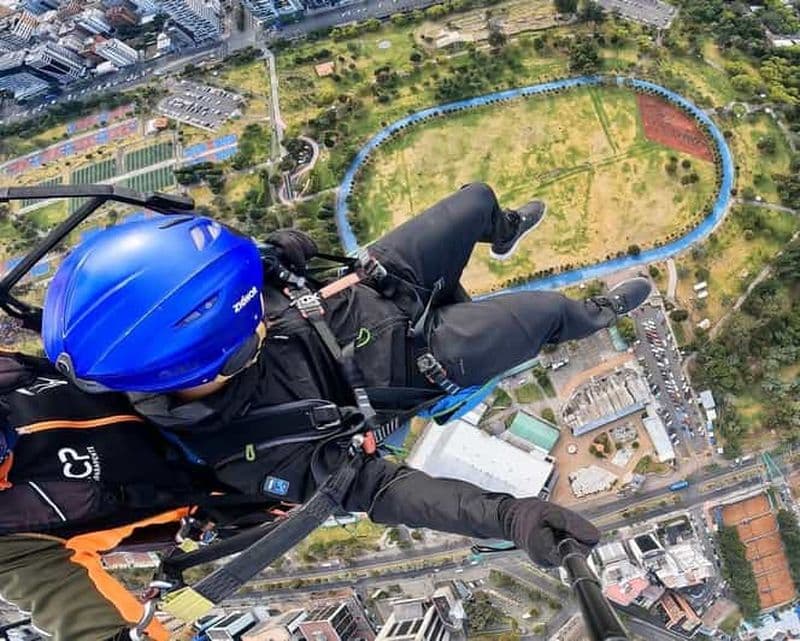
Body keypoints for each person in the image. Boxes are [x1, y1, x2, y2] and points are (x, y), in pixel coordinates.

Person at [0, 183, 650, 641]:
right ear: (226, 357)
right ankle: (594, 313)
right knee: (544, 313)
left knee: (475, 201)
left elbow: (181, 301)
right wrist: (509, 515)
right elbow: (389, 491)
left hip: (346, 302)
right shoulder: (263, 459)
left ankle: (499, 230)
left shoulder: (64, 364)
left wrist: (266, 267)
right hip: (399, 367)